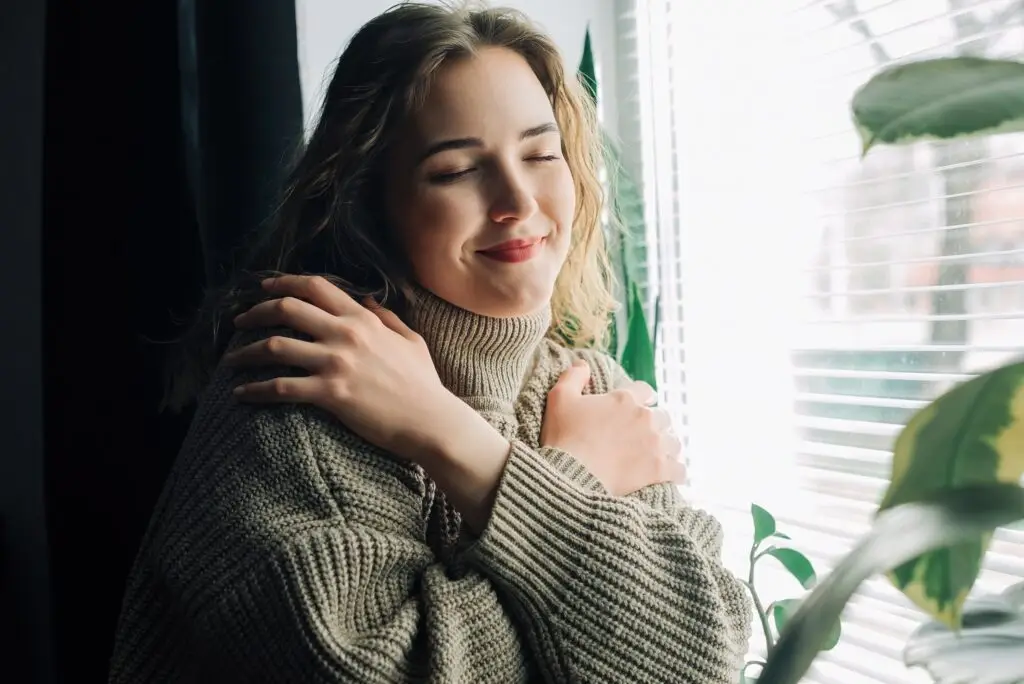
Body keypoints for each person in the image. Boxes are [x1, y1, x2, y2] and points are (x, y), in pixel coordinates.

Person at [109, 3, 752, 682]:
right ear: (368, 199)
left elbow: (703, 658)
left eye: (540, 153)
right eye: (456, 171)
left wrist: (452, 438)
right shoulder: (297, 387)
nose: (518, 201)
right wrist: (577, 481)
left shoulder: (595, 394)